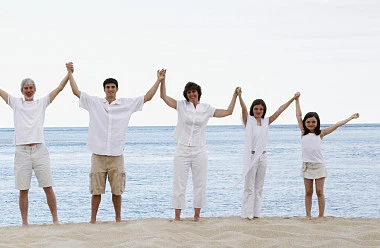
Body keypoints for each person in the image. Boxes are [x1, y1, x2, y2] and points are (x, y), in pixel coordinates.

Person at [70, 67, 162, 223]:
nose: (110, 90)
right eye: (108, 87)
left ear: (117, 89)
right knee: (96, 190)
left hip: (116, 154)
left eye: (113, 87)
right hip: (98, 154)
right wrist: (70, 74)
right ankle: (93, 219)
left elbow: (147, 97)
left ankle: (118, 219)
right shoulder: (95, 103)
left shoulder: (126, 104)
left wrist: (159, 80)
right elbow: (75, 91)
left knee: (117, 190)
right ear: (104, 90)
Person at [0, 64, 72, 226]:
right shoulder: (16, 103)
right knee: (23, 189)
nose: (28, 90)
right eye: (26, 88)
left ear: (35, 89)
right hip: (22, 150)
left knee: (48, 186)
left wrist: (69, 73)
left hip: (39, 149)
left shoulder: (41, 103)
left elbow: (59, 89)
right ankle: (25, 222)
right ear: (22, 90)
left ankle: (55, 219)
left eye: (31, 87)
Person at [158, 71, 239, 221]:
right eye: (188, 92)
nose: (191, 94)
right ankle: (177, 217)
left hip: (199, 149)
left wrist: (235, 95)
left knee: (200, 183)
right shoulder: (182, 105)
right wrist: (162, 80)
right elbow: (163, 97)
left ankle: (196, 216)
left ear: (198, 93)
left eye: (193, 91)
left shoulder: (206, 108)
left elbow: (228, 112)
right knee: (179, 183)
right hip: (182, 148)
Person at [237, 91, 299, 219]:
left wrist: (293, 99)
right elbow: (243, 108)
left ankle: (256, 214)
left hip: (263, 157)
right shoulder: (249, 121)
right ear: (252, 109)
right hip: (251, 156)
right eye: (256, 108)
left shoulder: (266, 121)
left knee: (259, 187)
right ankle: (246, 214)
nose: (258, 111)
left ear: (264, 110)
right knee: (249, 187)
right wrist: (239, 96)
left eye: (261, 109)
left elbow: (280, 110)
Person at [295, 98, 359, 219]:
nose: (311, 124)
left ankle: (321, 215)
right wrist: (296, 99)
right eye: (308, 122)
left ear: (317, 123)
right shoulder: (303, 132)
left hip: (319, 166)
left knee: (319, 191)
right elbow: (298, 115)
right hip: (307, 166)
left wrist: (350, 118)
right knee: (308, 192)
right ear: (305, 123)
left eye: (313, 122)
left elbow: (336, 125)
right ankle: (308, 215)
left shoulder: (321, 133)